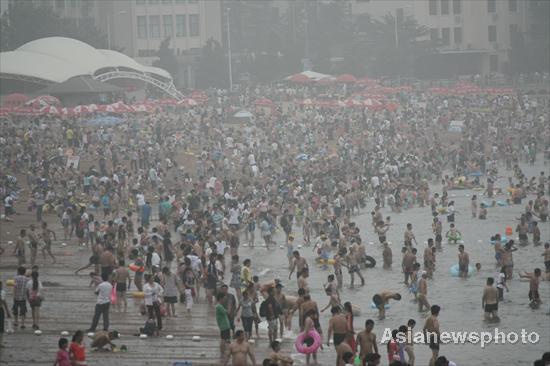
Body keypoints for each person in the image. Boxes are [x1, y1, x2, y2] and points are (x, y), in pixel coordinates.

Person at [216, 292, 232, 358]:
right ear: (221, 298)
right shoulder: (219, 306)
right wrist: (229, 305)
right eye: (224, 299)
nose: (225, 300)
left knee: (225, 339)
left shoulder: (220, 306)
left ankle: (224, 352)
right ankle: (222, 353)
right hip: (224, 325)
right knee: (223, 339)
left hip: (225, 325)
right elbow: (228, 312)